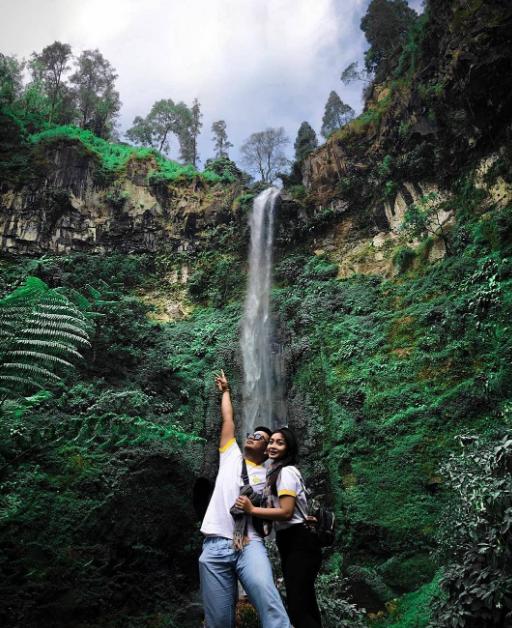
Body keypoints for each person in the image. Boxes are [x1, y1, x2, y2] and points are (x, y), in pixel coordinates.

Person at [199, 370, 291, 628]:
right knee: (217, 621)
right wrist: (226, 391)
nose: (253, 436)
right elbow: (228, 420)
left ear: (268, 450)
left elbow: (282, 509)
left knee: (270, 602)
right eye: (253, 434)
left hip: (249, 545)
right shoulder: (230, 455)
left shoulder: (272, 476)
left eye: (261, 438)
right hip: (214, 544)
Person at [235, 426, 323, 628]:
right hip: (294, 540)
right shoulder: (274, 473)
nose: (273, 445)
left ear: (288, 448)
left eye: (280, 442)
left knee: (298, 606)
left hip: (298, 541)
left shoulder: (286, 472)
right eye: (271, 442)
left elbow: (286, 512)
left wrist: (251, 510)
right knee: (305, 603)